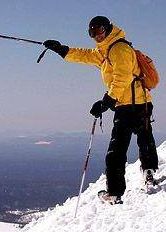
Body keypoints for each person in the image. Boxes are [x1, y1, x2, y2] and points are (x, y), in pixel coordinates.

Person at [43, 16, 157, 205]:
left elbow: (123, 77)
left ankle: (122, 188)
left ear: (109, 29)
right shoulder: (105, 52)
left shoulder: (119, 49)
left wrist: (107, 101)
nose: (96, 36)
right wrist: (62, 50)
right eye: (92, 33)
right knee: (137, 141)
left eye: (99, 31)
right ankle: (140, 177)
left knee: (121, 149)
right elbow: (85, 55)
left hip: (132, 104)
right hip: (134, 103)